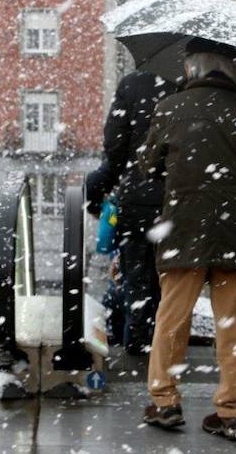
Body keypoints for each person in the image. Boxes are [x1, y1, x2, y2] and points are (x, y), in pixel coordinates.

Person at [139, 38, 236, 442]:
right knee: (233, 325)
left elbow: (147, 164)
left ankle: (165, 402)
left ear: (191, 67)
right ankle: (231, 411)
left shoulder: (170, 108)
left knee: (172, 318)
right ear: (231, 68)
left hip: (183, 227)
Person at [86, 70, 177, 355]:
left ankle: (137, 343)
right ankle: (166, 347)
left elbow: (114, 146)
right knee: (171, 280)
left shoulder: (132, 84)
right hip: (177, 201)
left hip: (135, 200)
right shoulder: (187, 88)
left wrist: (114, 179)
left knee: (135, 279)